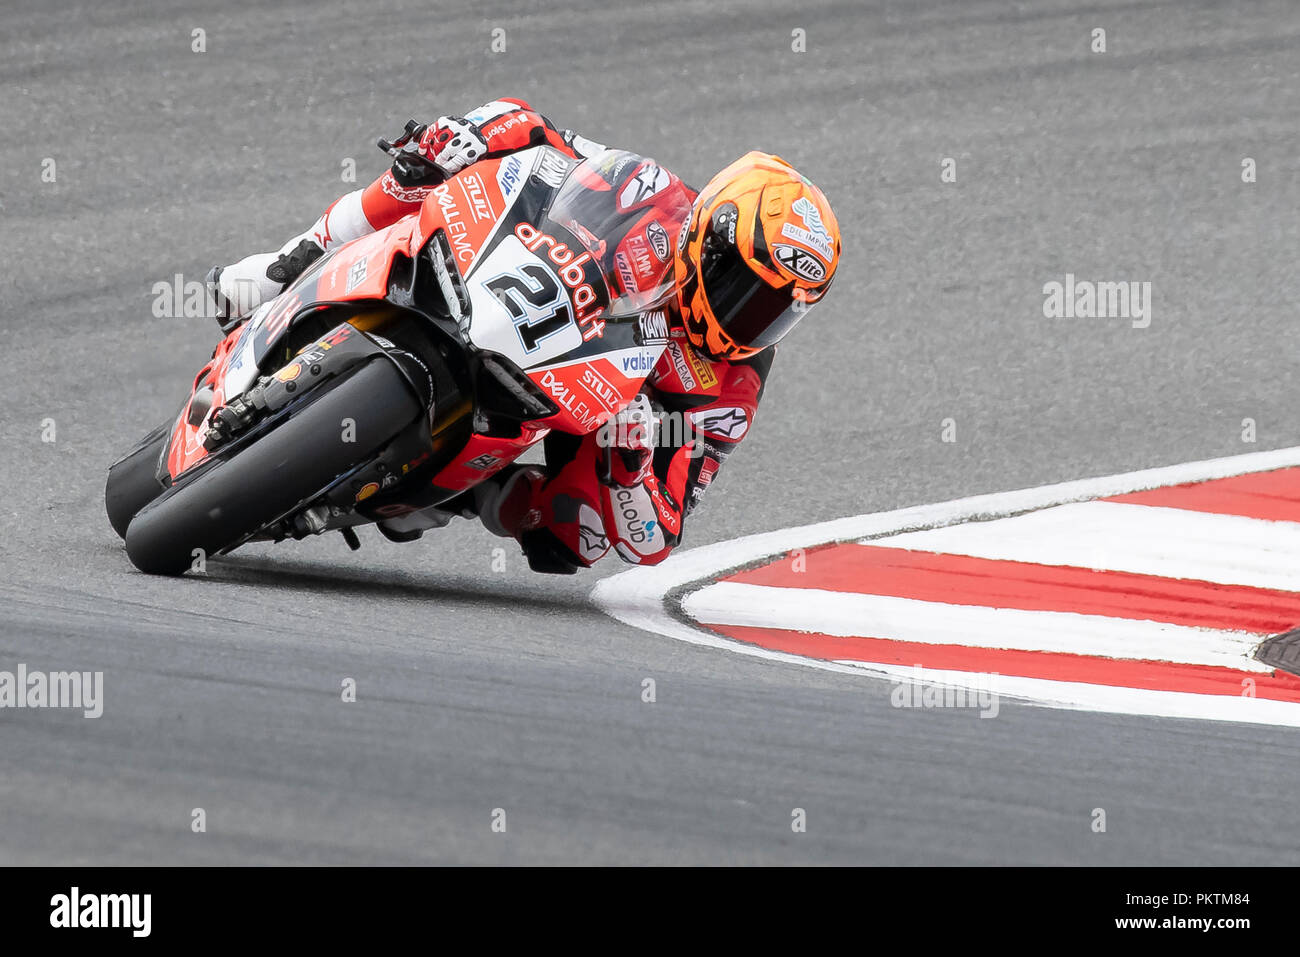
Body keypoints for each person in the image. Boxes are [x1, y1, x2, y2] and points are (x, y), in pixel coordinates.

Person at [207, 98, 841, 573]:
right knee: (424, 169)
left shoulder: (735, 382)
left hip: (571, 402)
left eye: (780, 311)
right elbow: (533, 128)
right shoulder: (652, 193)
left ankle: (464, 493)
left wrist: (634, 460)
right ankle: (283, 267)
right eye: (748, 291)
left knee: (579, 539)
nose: (753, 319)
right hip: (512, 288)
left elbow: (657, 537)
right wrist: (467, 135)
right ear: (712, 236)